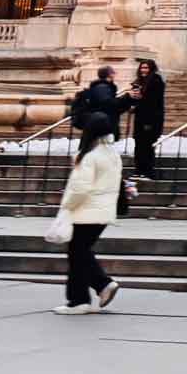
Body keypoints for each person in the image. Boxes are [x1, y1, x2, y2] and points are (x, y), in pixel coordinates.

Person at [54, 112, 124, 315]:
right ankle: (94, 290)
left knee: (77, 252)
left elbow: (79, 188)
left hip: (86, 211)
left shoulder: (89, 156)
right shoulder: (112, 155)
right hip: (103, 212)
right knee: (80, 251)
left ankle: (84, 297)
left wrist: (66, 206)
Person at [124, 59, 166, 179]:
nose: (144, 70)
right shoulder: (138, 82)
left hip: (151, 118)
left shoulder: (156, 81)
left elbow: (154, 102)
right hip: (140, 117)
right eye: (142, 68)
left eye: (146, 68)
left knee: (148, 145)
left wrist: (141, 97)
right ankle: (139, 170)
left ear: (151, 69)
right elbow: (136, 99)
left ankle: (148, 171)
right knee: (139, 144)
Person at [70, 65, 123, 130]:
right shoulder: (103, 88)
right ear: (110, 74)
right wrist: (126, 100)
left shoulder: (100, 86)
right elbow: (108, 105)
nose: (115, 74)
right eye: (114, 72)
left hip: (97, 124)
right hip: (100, 126)